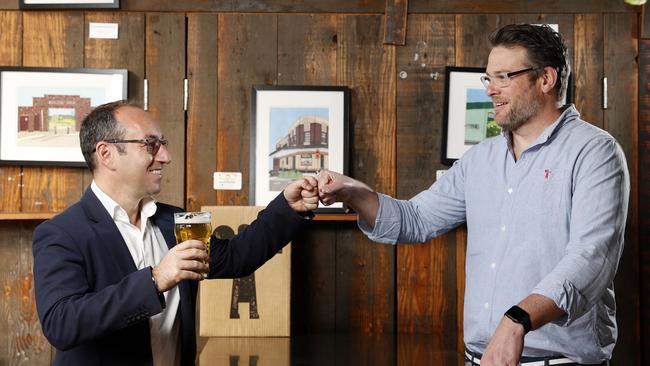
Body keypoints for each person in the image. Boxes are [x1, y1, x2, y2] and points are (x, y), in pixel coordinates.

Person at [317, 24, 628, 366]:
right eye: (488, 79)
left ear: (546, 79)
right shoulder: (479, 160)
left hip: (561, 362)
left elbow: (591, 258)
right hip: (479, 359)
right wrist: (351, 190)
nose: (491, 90)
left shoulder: (595, 152)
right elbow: (415, 219)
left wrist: (517, 320)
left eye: (503, 77)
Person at [33, 101, 319, 366]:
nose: (166, 156)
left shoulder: (174, 220)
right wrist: (156, 280)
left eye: (163, 144)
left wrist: (288, 208)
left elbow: (236, 257)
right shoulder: (60, 233)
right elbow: (62, 324)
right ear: (107, 154)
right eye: (151, 145)